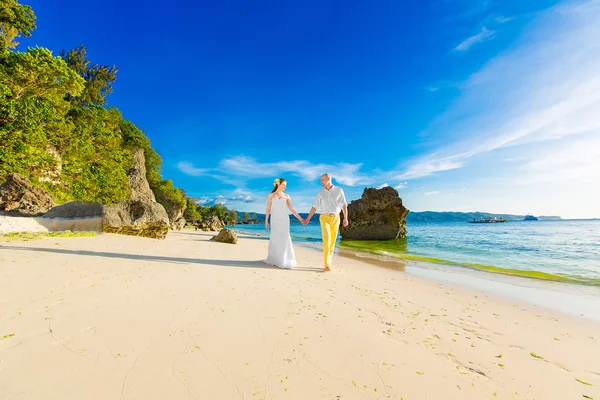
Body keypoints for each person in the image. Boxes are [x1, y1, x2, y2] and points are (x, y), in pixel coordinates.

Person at [303, 174, 349, 271]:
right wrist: (308, 218)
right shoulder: (321, 192)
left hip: (336, 218)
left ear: (328, 179)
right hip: (324, 217)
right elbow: (315, 206)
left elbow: (344, 204)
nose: (321, 182)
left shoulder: (339, 190)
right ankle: (327, 264)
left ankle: (329, 262)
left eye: (322, 180)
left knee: (332, 242)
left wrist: (345, 218)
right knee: (327, 240)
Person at [264, 178, 304, 269]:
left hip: (284, 220)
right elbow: (268, 209)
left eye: (286, 186)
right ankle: (275, 259)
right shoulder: (271, 195)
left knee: (285, 238)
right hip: (274, 219)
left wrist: (300, 218)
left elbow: (291, 209)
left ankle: (284, 259)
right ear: (278, 184)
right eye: (283, 185)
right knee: (275, 237)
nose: (285, 187)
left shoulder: (286, 196)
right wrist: (266, 221)